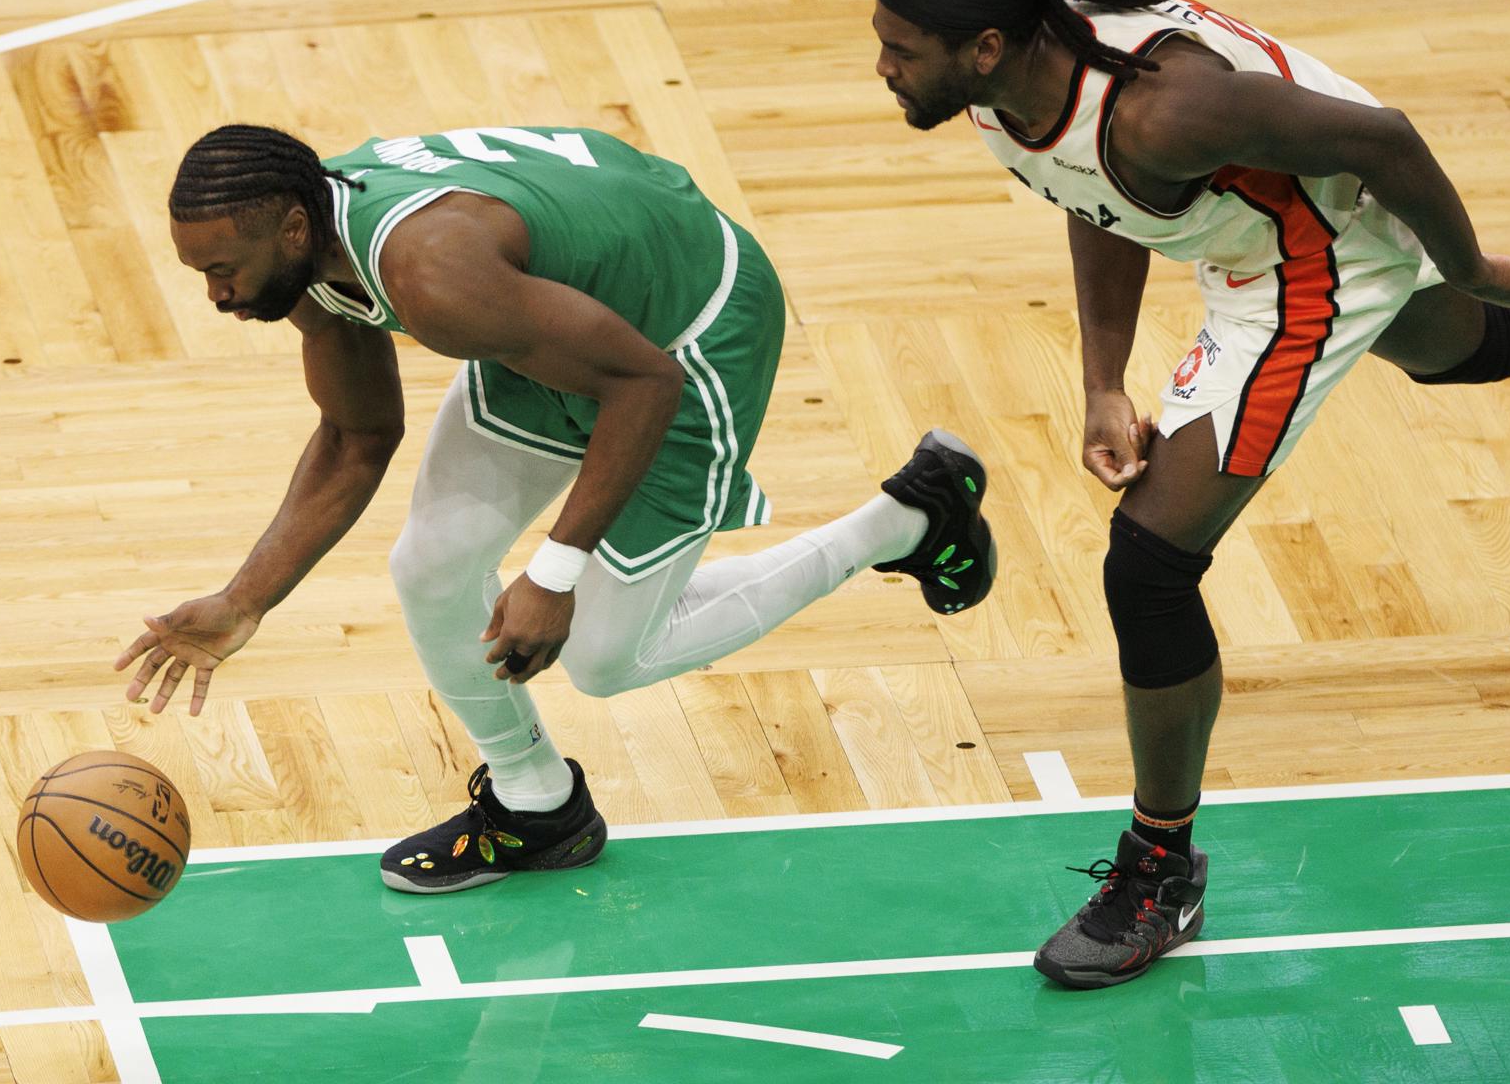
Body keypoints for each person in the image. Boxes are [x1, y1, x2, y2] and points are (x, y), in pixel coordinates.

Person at [867, 0, 1510, 989]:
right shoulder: (1015, 81)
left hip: (1307, 262)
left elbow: (1384, 140)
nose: (884, 66)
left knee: (1149, 561)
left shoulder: (1165, 109)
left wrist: (1463, 260)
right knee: (1460, 347)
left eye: (900, 49)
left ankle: (1159, 868)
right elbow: (1094, 193)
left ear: (983, 47)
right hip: (1259, 216)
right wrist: (1101, 379)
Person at [114, 123, 995, 893]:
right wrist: (243, 601)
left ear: (294, 228)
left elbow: (643, 384)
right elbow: (356, 435)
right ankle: (537, 805)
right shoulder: (310, 248)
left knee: (611, 658)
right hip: (561, 314)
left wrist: (555, 570)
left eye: (222, 271)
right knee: (431, 568)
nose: (216, 296)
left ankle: (911, 518)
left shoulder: (433, 275)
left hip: (685, 333)